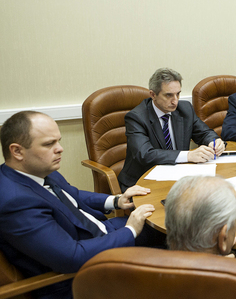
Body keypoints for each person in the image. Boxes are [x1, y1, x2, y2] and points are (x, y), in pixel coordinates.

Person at [0, 111, 159, 299]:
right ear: (17, 151)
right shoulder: (16, 203)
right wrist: (130, 230)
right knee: (171, 265)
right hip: (80, 278)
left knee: (167, 226)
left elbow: (72, 194)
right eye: (49, 144)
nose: (60, 149)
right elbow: (73, 257)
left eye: (58, 141)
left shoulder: (37, 170)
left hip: (97, 234)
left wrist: (116, 200)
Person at [118, 68, 224, 190]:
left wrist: (214, 141)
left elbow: (204, 133)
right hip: (143, 181)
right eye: (169, 95)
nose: (175, 101)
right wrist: (188, 155)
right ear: (153, 95)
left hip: (177, 177)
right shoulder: (136, 117)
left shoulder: (185, 109)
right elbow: (145, 154)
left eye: (178, 94)